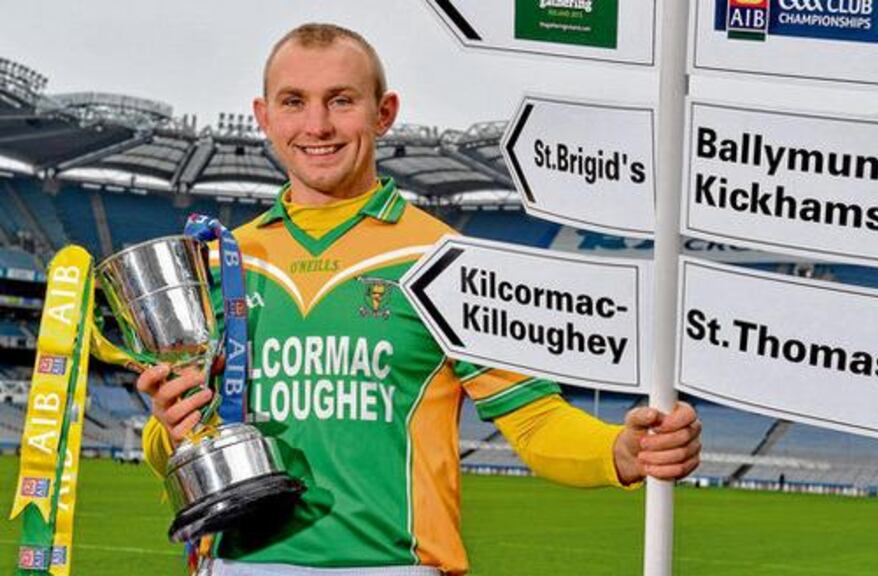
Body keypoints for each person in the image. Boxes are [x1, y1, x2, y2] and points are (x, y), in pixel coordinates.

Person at [137, 23, 702, 576]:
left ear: (384, 113)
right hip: (239, 563)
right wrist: (169, 427)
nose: (317, 125)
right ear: (263, 117)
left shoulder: (447, 260)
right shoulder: (224, 261)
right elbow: (177, 442)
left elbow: (534, 421)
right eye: (294, 102)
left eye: (341, 101)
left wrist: (621, 451)